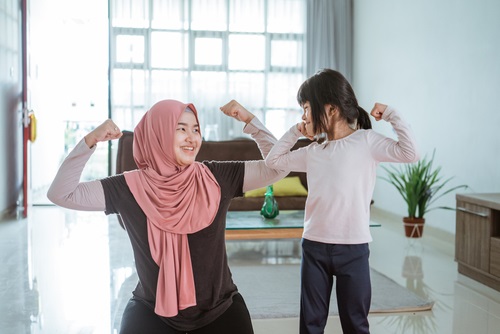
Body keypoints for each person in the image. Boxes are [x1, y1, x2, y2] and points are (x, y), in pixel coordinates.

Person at [47, 99, 288, 334]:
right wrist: (91, 140)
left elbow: (279, 167)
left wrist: (250, 121)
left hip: (219, 307)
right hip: (152, 309)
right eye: (181, 129)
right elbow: (61, 193)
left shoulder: (216, 176)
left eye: (195, 130)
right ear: (158, 134)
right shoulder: (127, 187)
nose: (192, 137)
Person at [264, 68, 420, 334]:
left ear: (330, 109)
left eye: (305, 108)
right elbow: (273, 162)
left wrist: (392, 114)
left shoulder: (367, 142)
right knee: (311, 325)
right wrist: (295, 131)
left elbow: (410, 153)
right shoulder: (314, 150)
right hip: (314, 247)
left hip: (354, 250)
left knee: (356, 325)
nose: (303, 116)